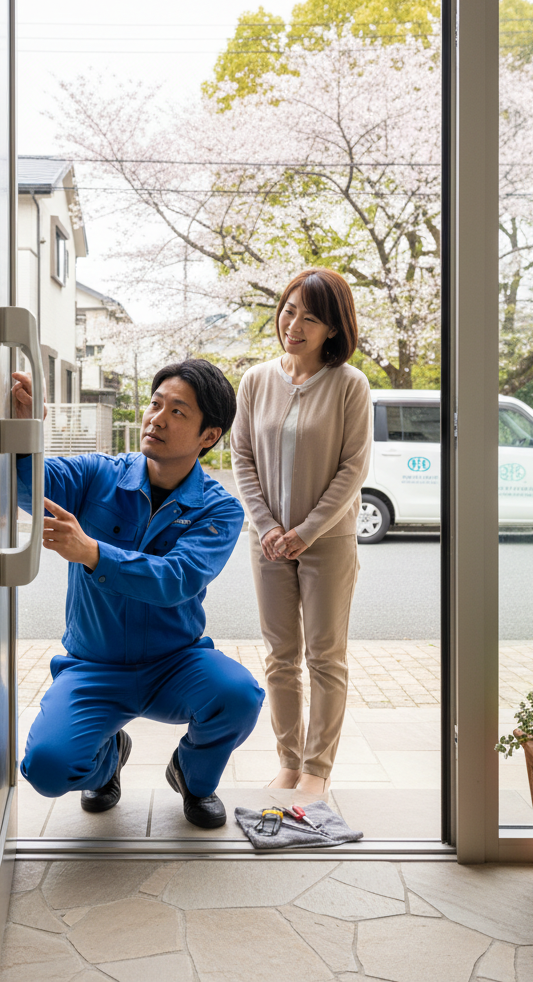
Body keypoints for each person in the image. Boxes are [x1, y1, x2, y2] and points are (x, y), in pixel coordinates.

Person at [12, 359, 264, 828]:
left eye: (178, 411)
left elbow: (178, 578)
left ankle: (192, 777)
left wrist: (92, 552)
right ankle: (108, 757)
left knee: (240, 695)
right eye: (155, 404)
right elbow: (28, 487)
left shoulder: (219, 508)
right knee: (46, 769)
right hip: (94, 665)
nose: (157, 418)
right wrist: (26, 432)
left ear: (209, 436)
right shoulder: (97, 475)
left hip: (175, 664)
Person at [231, 268, 371, 796]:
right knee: (279, 656)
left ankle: (317, 769)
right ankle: (288, 760)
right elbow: (241, 457)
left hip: (327, 542)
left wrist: (307, 532)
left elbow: (353, 468)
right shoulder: (256, 380)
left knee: (325, 656)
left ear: (333, 329)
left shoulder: (349, 385)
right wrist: (267, 526)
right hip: (266, 541)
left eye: (310, 318)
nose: (294, 324)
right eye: (290, 310)